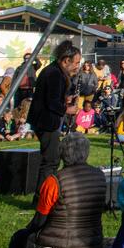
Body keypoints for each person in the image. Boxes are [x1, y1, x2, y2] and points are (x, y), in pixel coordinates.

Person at [27, 40, 82, 194]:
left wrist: (65, 99)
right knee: (50, 161)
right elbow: (51, 103)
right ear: (66, 61)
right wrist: (67, 109)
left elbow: (51, 97)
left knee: (51, 159)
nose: (77, 66)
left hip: (45, 120)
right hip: (46, 122)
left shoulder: (54, 71)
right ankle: (42, 197)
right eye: (76, 62)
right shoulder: (54, 74)